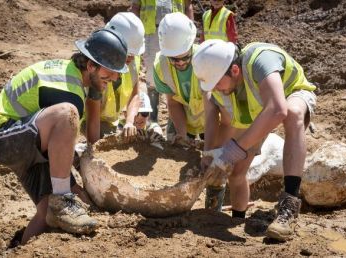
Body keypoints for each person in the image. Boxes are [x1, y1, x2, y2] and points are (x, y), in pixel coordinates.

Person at [0, 29, 128, 244]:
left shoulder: (75, 76)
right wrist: (68, 186)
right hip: (3, 137)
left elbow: (58, 145)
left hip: (28, 142)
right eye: (110, 71)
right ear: (90, 66)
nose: (115, 78)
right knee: (66, 113)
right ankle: (61, 198)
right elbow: (59, 141)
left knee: (46, 215)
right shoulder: (68, 90)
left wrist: (73, 184)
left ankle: (18, 250)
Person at [192, 39, 317, 241]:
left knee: (293, 114)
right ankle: (236, 220)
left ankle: (289, 208)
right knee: (236, 173)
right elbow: (212, 114)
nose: (214, 88)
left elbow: (278, 110)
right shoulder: (218, 83)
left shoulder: (260, 60)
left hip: (291, 94)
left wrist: (234, 150)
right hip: (259, 111)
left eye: (217, 83)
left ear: (234, 70)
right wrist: (208, 154)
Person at [85, 12, 145, 143]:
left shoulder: (133, 60)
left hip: (112, 121)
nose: (131, 58)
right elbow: (93, 116)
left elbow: (135, 95)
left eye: (134, 54)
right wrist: (93, 150)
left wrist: (129, 121)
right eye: (128, 53)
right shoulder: (100, 63)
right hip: (90, 121)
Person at [131, 0, 194, 125]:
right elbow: (135, 7)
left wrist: (190, 28)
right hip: (152, 31)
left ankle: (176, 123)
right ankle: (152, 119)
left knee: (177, 74)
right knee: (152, 75)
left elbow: (188, 6)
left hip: (177, 34)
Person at [153, 12, 205, 147]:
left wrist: (211, 142)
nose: (181, 63)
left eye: (186, 57)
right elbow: (173, 103)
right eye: (174, 59)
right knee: (178, 146)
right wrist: (182, 134)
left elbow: (216, 103)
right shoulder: (161, 66)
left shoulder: (205, 59)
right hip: (185, 116)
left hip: (211, 117)